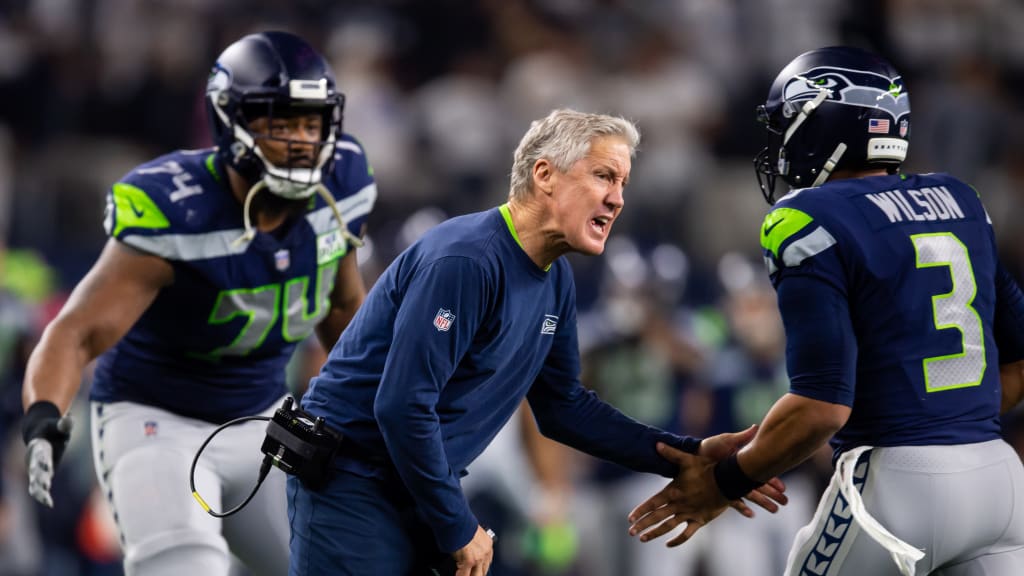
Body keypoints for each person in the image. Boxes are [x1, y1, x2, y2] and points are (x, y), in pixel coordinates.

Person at [289, 108, 787, 576]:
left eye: (623, 184)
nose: (618, 198)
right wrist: (457, 524)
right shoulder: (466, 260)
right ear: (544, 175)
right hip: (352, 487)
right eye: (604, 176)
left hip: (409, 488)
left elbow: (564, 407)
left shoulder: (555, 277)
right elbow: (401, 406)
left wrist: (686, 453)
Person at [628, 46, 1024, 575]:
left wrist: (724, 483)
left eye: (789, 122)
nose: (782, 140)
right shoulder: (961, 200)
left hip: (898, 483)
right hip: (998, 480)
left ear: (825, 122)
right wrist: (950, 429)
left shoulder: (807, 218)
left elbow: (821, 408)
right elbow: (1018, 362)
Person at [19, 30, 377, 576]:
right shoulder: (177, 210)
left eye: (311, 122)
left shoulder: (342, 186)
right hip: (157, 423)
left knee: (344, 565)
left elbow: (344, 312)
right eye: (281, 123)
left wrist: (388, 409)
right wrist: (45, 414)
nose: (303, 141)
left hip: (263, 421)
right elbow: (79, 331)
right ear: (231, 122)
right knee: (185, 566)